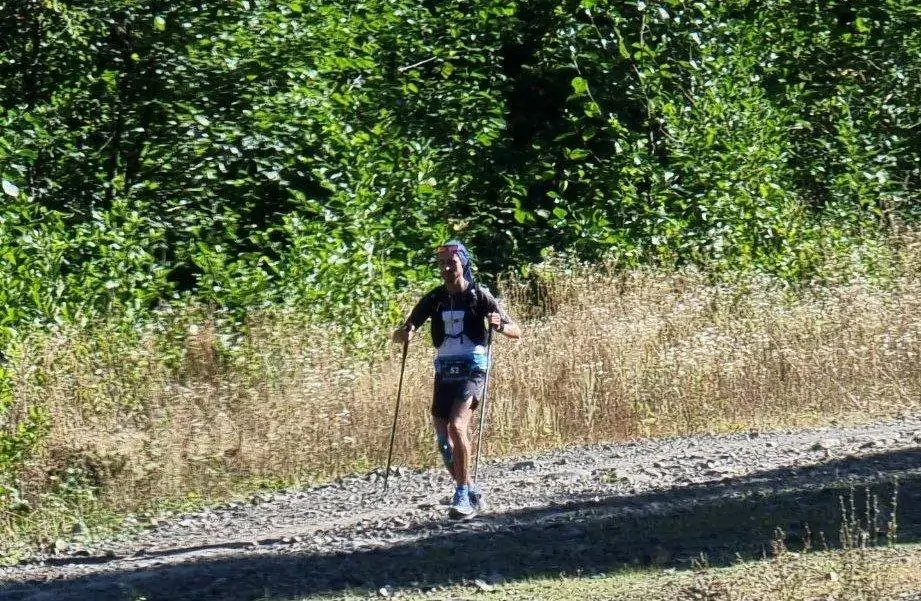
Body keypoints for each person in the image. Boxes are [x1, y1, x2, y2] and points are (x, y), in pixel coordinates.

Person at [392, 240, 521, 518]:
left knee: (456, 426)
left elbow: (516, 330)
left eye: (452, 263)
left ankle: (461, 494)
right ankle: (470, 489)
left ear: (463, 263)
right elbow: (402, 331)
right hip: (444, 369)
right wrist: (405, 334)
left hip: (473, 366)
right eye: (442, 264)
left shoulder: (479, 295)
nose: (447, 268)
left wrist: (499, 326)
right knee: (443, 440)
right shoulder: (434, 298)